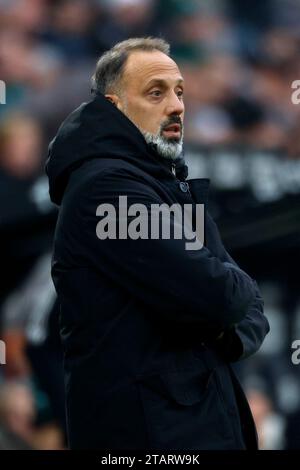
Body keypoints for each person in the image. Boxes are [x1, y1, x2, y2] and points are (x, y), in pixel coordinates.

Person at [46, 37, 269, 450]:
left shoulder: (158, 183)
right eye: (156, 92)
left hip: (184, 425)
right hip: (149, 437)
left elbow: (248, 310)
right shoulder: (108, 189)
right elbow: (221, 295)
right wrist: (228, 307)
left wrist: (228, 313)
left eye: (180, 91)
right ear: (114, 107)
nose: (177, 105)